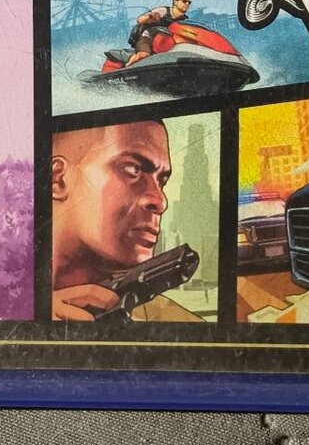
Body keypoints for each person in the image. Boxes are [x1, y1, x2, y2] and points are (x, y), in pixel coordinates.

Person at [50, 121, 201, 322]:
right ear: (58, 180)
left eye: (161, 181)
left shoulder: (175, 322)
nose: (160, 202)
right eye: (132, 169)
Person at [125, 0, 192, 67]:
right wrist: (151, 16)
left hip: (165, 41)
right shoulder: (163, 11)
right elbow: (139, 20)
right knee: (144, 54)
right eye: (184, 1)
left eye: (189, 2)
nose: (187, 4)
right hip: (148, 36)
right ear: (175, 2)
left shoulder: (185, 20)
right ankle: (127, 67)